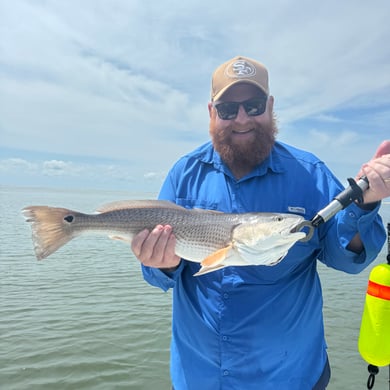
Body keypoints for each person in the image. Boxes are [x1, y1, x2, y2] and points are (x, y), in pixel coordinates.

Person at [131, 55, 390, 390]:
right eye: (227, 109)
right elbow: (159, 277)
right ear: (212, 113)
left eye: (253, 106)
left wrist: (365, 202)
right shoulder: (184, 174)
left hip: (290, 377)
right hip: (200, 376)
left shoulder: (309, 173)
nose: (242, 119)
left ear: (270, 106)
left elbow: (347, 258)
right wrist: (160, 265)